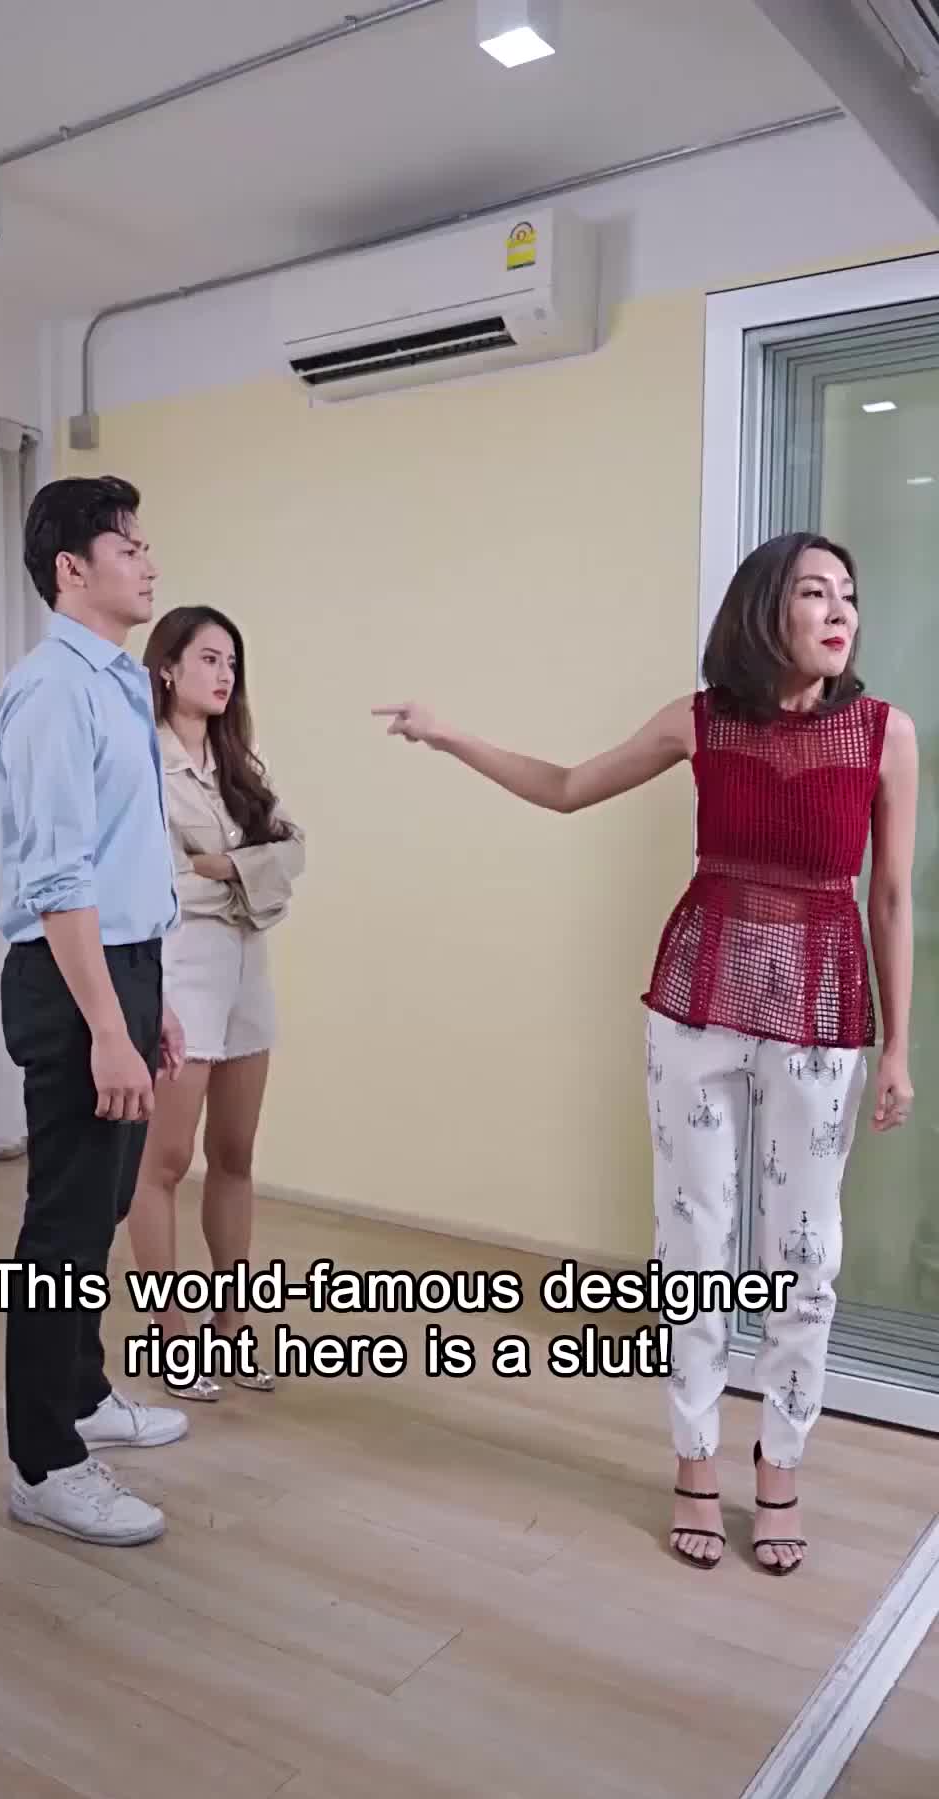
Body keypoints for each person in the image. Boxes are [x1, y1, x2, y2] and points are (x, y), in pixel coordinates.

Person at [373, 533, 917, 1576]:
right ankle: (695, 1460)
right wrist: (450, 736)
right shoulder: (698, 720)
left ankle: (781, 1465)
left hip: (820, 1008)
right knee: (694, 1243)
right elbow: (568, 786)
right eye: (815, 591)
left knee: (806, 1255)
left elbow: (888, 898)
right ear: (766, 608)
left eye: (849, 593)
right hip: (697, 1002)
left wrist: (898, 1048)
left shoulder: (885, 733)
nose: (840, 609)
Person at [0, 474, 190, 1548]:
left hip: (123, 968)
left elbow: (124, 863)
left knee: (103, 1206)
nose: (150, 563)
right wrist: (108, 1026)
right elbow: (58, 875)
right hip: (73, 980)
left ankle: (81, 1394)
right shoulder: (52, 691)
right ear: (73, 569)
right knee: (62, 1226)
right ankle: (43, 1464)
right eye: (130, 547)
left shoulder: (113, 682)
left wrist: (148, 1003)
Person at [126, 605, 305, 1400]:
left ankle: (232, 1327)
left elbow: (293, 851)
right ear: (166, 668)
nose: (224, 674)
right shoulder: (140, 761)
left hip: (246, 967)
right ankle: (172, 1336)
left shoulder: (242, 765)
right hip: (180, 969)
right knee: (163, 1162)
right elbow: (155, 882)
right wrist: (250, 872)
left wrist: (224, 866)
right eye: (208, 658)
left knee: (235, 1156)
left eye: (232, 661)